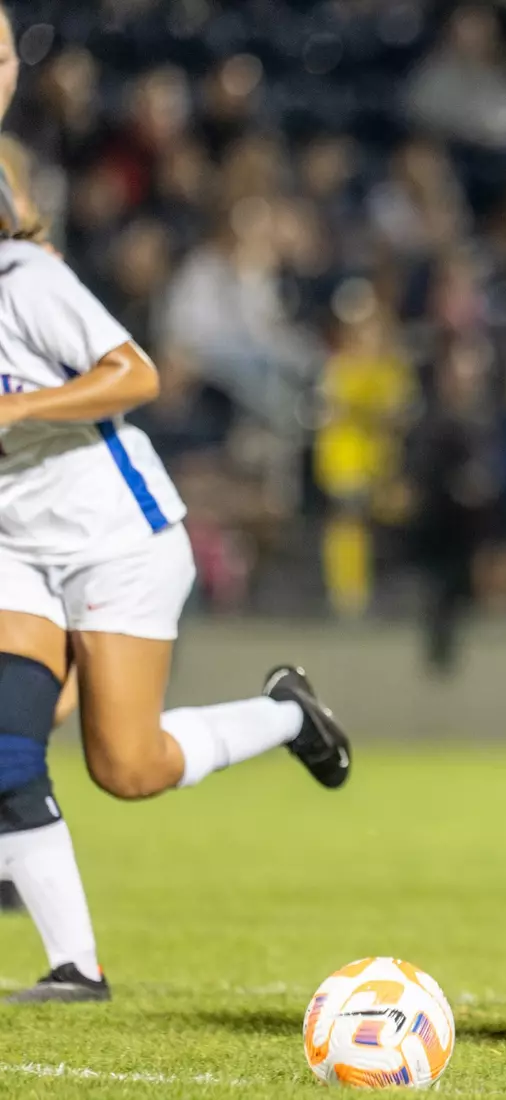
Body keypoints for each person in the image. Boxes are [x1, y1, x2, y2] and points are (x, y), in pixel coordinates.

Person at [0, 145, 353, 1005]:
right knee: (6, 751)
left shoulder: (22, 279)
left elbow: (137, 374)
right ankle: (77, 969)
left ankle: (284, 717)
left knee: (127, 766)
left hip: (115, 536)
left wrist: (16, 407)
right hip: (14, 545)